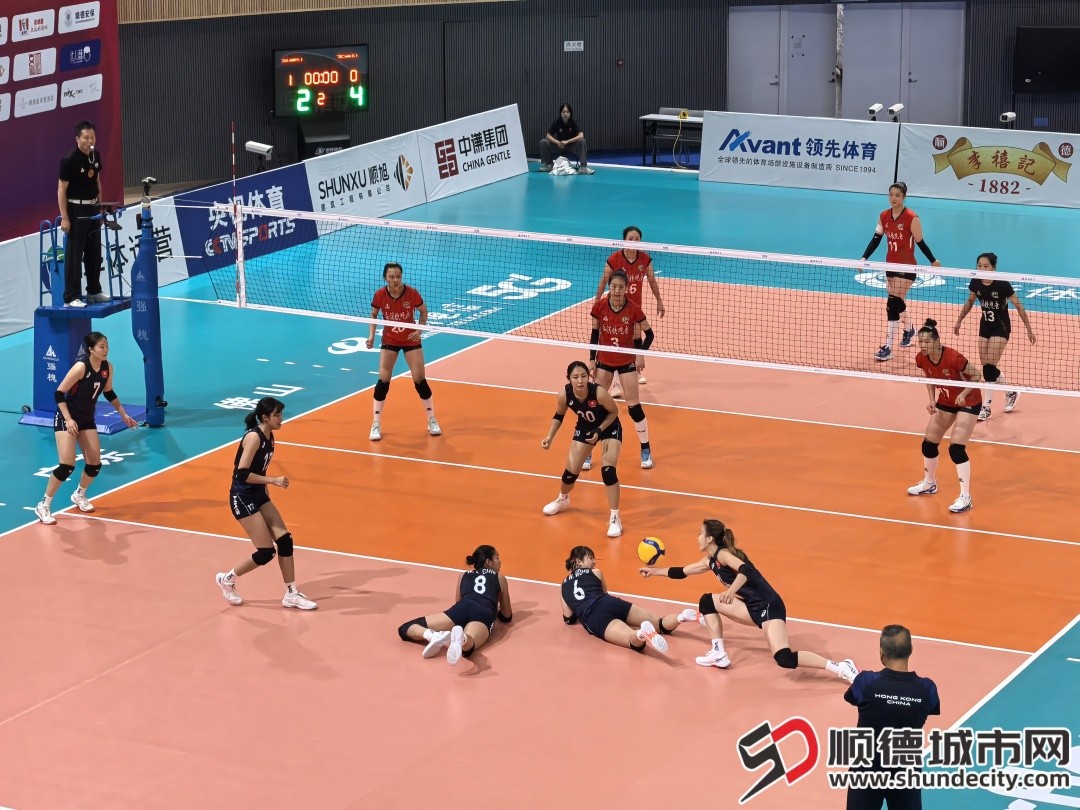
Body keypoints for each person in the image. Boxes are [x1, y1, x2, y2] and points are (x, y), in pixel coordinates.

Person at [640, 518, 858, 681]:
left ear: (709, 538)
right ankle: (719, 653)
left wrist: (730, 591)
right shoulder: (710, 561)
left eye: (700, 534)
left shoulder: (724, 555)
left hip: (769, 606)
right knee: (707, 601)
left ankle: (841, 667)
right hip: (751, 607)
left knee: (783, 658)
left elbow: (746, 570)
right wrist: (654, 572)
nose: (697, 537)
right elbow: (682, 572)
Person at [214, 397, 317, 610]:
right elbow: (242, 474)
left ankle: (291, 594)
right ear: (265, 417)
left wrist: (265, 487)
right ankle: (227, 579)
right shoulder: (254, 437)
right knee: (266, 552)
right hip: (243, 498)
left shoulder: (270, 436)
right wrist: (272, 480)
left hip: (259, 494)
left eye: (281, 414)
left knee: (285, 541)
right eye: (277, 415)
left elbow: (259, 466)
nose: (281, 418)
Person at [33, 331, 139, 525]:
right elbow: (59, 393)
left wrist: (123, 414)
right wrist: (68, 419)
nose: (105, 350)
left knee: (94, 464)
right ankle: (43, 505)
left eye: (106, 346)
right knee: (67, 466)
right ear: (91, 349)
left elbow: (108, 392)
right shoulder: (81, 367)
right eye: (101, 347)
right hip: (67, 417)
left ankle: (79, 494)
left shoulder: (107, 367)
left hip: (86, 418)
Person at [844, 625, 941, 810]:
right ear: (910, 650)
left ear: (882, 652)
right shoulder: (927, 688)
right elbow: (931, 706)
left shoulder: (866, 681)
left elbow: (852, 697)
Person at [540, 360, 624, 537]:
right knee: (569, 474)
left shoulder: (599, 393)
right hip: (585, 428)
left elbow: (614, 412)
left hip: (608, 427)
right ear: (569, 379)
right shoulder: (565, 395)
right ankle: (563, 499)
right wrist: (549, 437)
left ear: (589, 377)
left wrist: (599, 430)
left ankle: (615, 518)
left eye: (584, 376)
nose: (580, 380)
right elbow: (559, 415)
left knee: (608, 471)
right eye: (576, 377)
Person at [562, 545, 695, 654]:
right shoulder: (596, 572)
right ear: (578, 561)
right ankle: (681, 617)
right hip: (610, 603)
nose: (594, 562)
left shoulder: (563, 585)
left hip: (594, 617)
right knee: (659, 624)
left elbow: (568, 618)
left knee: (633, 642)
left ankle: (641, 634)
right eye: (590, 558)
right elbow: (604, 593)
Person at [861, 182, 941, 362]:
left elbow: (920, 242)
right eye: (891, 195)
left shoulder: (912, 218)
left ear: (904, 197)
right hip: (890, 266)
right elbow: (876, 239)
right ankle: (909, 330)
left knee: (892, 303)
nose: (893, 198)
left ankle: (888, 347)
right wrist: (864, 258)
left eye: (897, 195)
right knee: (897, 302)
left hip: (907, 267)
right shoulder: (883, 216)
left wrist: (933, 260)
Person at [907, 319, 981, 513]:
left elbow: (977, 375)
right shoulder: (921, 358)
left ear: (937, 341)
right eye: (920, 341)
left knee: (956, 448)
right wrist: (932, 399)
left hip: (968, 400)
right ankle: (929, 483)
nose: (922, 345)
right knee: (928, 443)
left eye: (927, 342)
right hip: (947, 401)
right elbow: (929, 377)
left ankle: (965, 497)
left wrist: (963, 394)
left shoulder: (953, 357)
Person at [952, 252, 1036, 421]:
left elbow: (1019, 306)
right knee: (987, 368)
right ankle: (1011, 392)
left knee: (989, 368)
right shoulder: (976, 281)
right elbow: (970, 301)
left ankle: (986, 407)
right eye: (979, 265)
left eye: (986, 266)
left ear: (994, 267)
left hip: (1001, 327)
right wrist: (959, 320)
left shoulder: (1002, 284)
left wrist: (1029, 329)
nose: (982, 269)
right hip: (985, 326)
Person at [397, 544, 513, 665]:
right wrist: (496, 610)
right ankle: (462, 638)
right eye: (497, 558)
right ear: (488, 562)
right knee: (467, 647)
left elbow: (458, 602)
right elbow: (506, 616)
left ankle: (433, 635)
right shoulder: (499, 578)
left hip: (462, 608)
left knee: (405, 629)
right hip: (483, 613)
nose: (500, 562)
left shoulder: (464, 575)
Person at [365, 261, 441, 442]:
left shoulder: (411, 293)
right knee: (382, 382)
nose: (395, 280)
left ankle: (432, 419)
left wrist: (419, 331)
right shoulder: (380, 295)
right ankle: (375, 423)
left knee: (420, 381)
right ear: (385, 278)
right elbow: (374, 314)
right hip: (389, 341)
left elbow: (423, 311)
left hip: (410, 341)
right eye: (391, 277)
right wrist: (372, 335)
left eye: (398, 276)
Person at [589, 269, 656, 469]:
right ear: (609, 287)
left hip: (627, 362)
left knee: (634, 407)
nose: (617, 290)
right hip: (604, 361)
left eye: (621, 287)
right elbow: (594, 335)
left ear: (626, 288)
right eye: (614, 286)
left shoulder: (633, 309)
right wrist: (591, 359)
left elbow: (649, 334)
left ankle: (645, 449)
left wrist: (640, 354)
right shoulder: (599, 307)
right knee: (595, 406)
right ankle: (587, 451)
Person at [595, 226, 666, 392]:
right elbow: (604, 280)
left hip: (634, 308)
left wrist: (659, 300)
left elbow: (652, 281)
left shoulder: (645, 259)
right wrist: (597, 302)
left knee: (636, 337)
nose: (634, 241)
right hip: (615, 306)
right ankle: (615, 382)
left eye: (637, 239)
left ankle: (636, 369)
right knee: (616, 340)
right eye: (630, 239)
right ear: (624, 240)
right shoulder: (614, 258)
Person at [57, 120, 109, 308]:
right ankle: (71, 297)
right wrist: (65, 217)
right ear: (77, 139)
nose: (90, 141)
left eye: (92, 137)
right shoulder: (69, 159)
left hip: (93, 209)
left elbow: (97, 181)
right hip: (76, 211)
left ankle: (94, 290)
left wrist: (101, 206)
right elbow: (61, 189)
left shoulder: (96, 155)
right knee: (74, 255)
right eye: (86, 138)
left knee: (94, 251)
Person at [538, 103, 594, 174]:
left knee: (582, 141)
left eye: (567, 112)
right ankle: (549, 165)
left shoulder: (574, 122)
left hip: (571, 146)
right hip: (560, 146)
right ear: (560, 113)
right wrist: (557, 142)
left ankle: (583, 167)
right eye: (563, 112)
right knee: (543, 142)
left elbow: (581, 135)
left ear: (570, 113)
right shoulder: (557, 122)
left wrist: (567, 141)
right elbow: (548, 135)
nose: (565, 114)